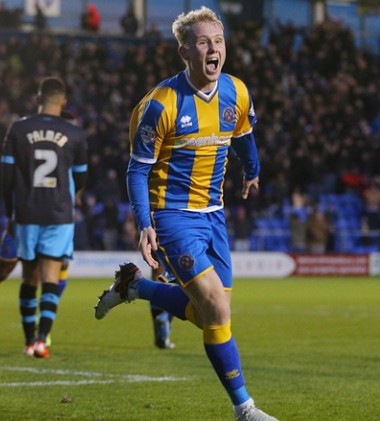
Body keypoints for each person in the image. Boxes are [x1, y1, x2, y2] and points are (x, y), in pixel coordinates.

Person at [94, 7, 278, 421]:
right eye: (203, 42)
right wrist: (145, 223)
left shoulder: (237, 91)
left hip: (214, 215)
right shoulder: (160, 105)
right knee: (216, 307)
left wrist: (253, 171)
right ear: (184, 51)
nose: (213, 48)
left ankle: (134, 288)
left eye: (218, 41)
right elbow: (137, 169)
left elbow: (245, 135)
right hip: (172, 215)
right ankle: (244, 409)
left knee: (203, 314)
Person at [2, 77, 87, 359]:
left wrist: (9, 214)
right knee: (52, 275)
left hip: (26, 211)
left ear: (38, 98)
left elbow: (6, 177)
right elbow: (82, 176)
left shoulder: (19, 129)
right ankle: (42, 341)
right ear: (63, 102)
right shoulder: (74, 134)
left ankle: (28, 342)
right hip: (59, 212)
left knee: (29, 277)